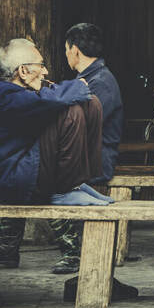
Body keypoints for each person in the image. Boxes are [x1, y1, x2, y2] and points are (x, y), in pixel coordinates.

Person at [0, 38, 137, 300]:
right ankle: (66, 187)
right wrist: (73, 88)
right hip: (18, 178)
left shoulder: (23, 92)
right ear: (23, 71)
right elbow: (48, 102)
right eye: (41, 66)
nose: (46, 71)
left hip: (30, 169)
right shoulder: (1, 93)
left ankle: (75, 183)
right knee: (70, 110)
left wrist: (75, 91)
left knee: (90, 103)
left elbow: (49, 98)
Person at [64, 23, 124, 186]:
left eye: (66, 50)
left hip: (94, 164)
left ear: (75, 50)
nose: (66, 55)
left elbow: (79, 126)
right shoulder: (92, 79)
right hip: (85, 160)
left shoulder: (101, 83)